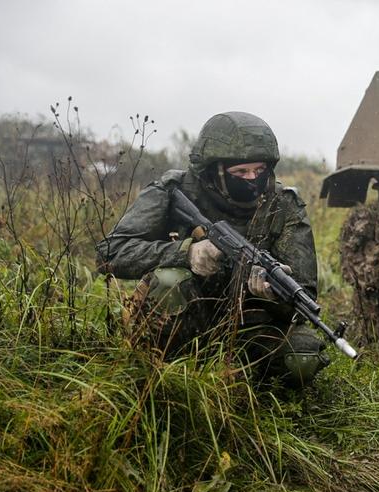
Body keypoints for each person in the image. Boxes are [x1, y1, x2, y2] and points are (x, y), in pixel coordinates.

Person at [96, 111, 329, 386]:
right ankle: (161, 378)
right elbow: (110, 253)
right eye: (240, 172)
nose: (252, 178)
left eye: (259, 170)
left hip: (251, 324)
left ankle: (243, 391)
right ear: (214, 169)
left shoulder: (283, 204)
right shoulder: (174, 190)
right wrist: (187, 253)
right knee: (169, 281)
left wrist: (271, 295)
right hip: (186, 315)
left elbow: (302, 295)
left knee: (302, 357)